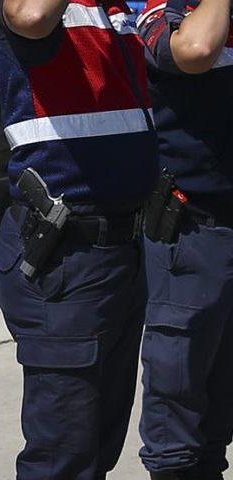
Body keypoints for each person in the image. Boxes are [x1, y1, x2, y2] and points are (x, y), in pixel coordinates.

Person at [0, 0, 159, 478]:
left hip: (122, 251)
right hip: (67, 258)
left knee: (97, 448)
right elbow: (32, 17)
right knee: (63, 457)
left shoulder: (115, 11)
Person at [136, 1, 233, 478]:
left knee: (217, 423)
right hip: (195, 234)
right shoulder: (168, 12)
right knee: (177, 430)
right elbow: (196, 49)